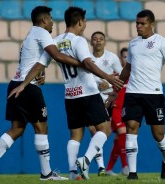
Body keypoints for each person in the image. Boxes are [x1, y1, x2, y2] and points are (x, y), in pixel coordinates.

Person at [0, 6, 81, 181]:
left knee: (17, 129)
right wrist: (83, 63)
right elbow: (56, 55)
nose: (52, 22)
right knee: (41, 127)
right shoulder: (41, 33)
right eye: (49, 18)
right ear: (43, 21)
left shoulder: (31, 35)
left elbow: (35, 62)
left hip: (16, 83)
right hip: (27, 87)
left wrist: (40, 75)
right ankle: (46, 174)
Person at [51, 7, 123, 180]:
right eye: (84, 22)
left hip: (70, 94)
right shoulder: (79, 41)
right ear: (80, 22)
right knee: (105, 129)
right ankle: (86, 160)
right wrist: (108, 77)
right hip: (88, 93)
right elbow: (88, 64)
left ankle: (72, 172)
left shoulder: (56, 41)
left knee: (75, 134)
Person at [107, 9, 165, 180]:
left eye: (142, 24)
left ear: (151, 24)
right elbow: (127, 69)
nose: (138, 27)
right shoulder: (133, 44)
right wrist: (115, 92)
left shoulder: (162, 42)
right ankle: (132, 173)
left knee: (158, 135)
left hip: (153, 94)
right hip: (133, 93)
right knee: (131, 128)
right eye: (137, 23)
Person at [87, 31, 123, 176]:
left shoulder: (112, 57)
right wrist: (97, 85)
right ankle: (101, 167)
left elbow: (121, 76)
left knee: (102, 132)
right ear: (91, 42)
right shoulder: (87, 58)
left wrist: (109, 85)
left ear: (105, 42)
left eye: (101, 39)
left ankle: (97, 165)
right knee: (92, 130)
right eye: (95, 39)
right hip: (90, 97)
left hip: (106, 100)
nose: (98, 41)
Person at [105, 47, 129, 176]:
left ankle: (108, 169)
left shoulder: (133, 74)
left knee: (119, 138)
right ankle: (125, 166)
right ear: (120, 58)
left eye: (128, 57)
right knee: (122, 132)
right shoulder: (115, 73)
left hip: (125, 110)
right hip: (115, 109)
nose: (126, 59)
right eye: (124, 57)